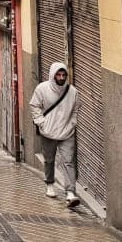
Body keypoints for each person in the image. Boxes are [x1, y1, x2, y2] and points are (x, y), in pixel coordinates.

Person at [29, 61, 81, 208]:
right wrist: (41, 122)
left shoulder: (73, 92)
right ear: (53, 75)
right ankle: (50, 184)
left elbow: (76, 108)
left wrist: (72, 123)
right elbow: (34, 105)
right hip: (48, 132)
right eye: (58, 74)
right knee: (49, 160)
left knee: (68, 161)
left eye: (64, 74)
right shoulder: (42, 89)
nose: (61, 77)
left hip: (66, 132)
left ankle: (70, 193)